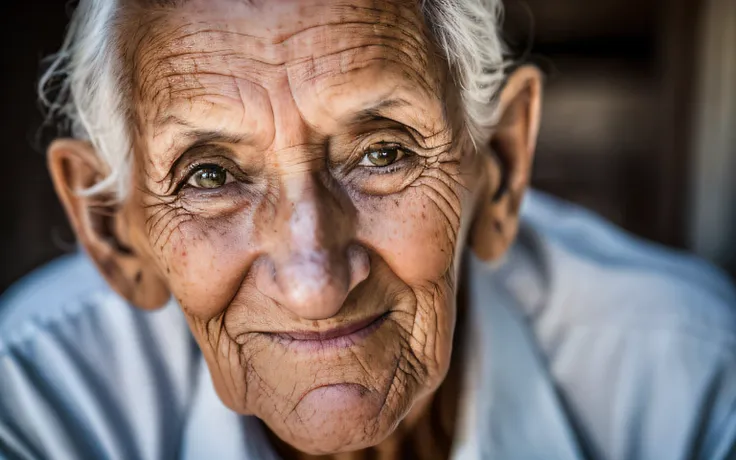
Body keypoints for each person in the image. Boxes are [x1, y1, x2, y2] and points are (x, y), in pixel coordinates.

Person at [1, 0, 735, 458]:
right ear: (114, 230)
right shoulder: (33, 404)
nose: (314, 282)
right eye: (211, 176)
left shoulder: (692, 383)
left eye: (383, 154)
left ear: (501, 169)